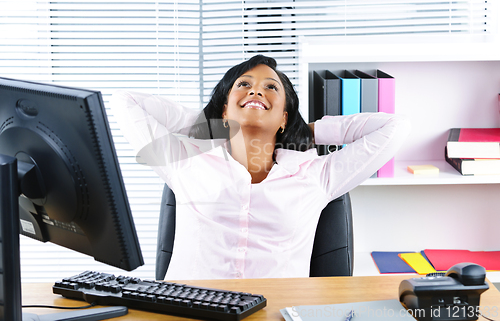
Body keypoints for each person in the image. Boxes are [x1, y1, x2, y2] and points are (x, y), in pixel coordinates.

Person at [111, 54, 410, 280]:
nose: (256, 92)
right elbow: (124, 101)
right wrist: (209, 124)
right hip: (191, 311)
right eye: (243, 85)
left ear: (284, 117)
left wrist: (309, 131)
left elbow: (394, 127)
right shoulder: (186, 162)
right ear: (225, 109)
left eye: (271, 87)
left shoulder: (317, 176)